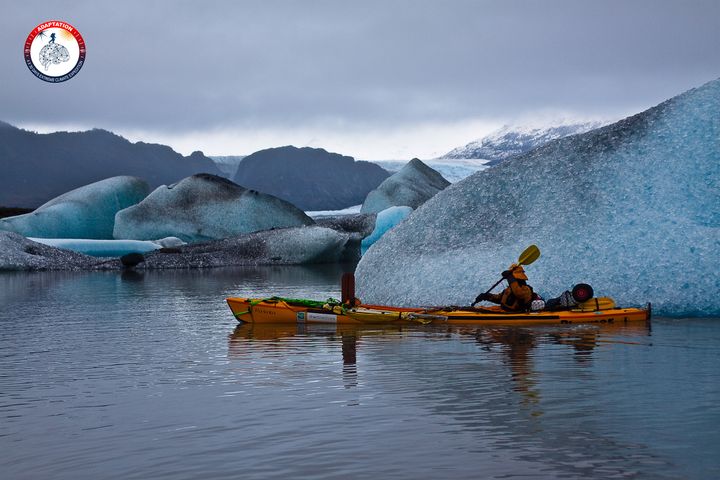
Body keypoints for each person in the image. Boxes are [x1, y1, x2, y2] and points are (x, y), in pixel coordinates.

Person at [472, 264, 536, 312]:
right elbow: (499, 299)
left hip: (513, 313)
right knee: (478, 309)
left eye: (512, 278)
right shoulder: (510, 288)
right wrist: (486, 296)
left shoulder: (526, 289)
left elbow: (518, 293)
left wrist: (510, 277)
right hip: (503, 310)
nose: (511, 280)